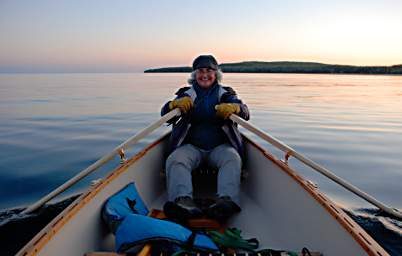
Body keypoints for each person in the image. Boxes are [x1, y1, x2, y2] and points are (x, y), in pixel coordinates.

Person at [161, 55, 250, 221]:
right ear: (195, 75)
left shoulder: (226, 93)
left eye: (209, 71)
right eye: (200, 71)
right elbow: (165, 115)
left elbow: (245, 112)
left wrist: (235, 108)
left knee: (232, 158)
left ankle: (226, 202)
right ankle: (182, 202)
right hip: (191, 146)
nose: (205, 75)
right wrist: (173, 105)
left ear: (216, 74)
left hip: (220, 147)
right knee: (176, 159)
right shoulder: (186, 93)